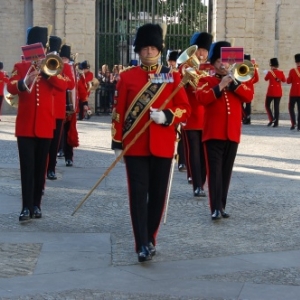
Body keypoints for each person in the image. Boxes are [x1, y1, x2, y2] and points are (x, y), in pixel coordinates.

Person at [111, 23, 191, 262]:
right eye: (144, 48)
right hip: (135, 146)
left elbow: (185, 109)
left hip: (163, 146)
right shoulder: (127, 77)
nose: (148, 52)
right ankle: (141, 243)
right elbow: (119, 112)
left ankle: (151, 237)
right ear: (138, 50)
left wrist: (167, 116)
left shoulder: (171, 76)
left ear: (159, 49)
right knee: (137, 194)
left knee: (157, 195)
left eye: (152, 47)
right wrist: (117, 142)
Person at [7, 26, 69, 221]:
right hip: (25, 127)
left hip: (44, 126)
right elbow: (10, 86)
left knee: (40, 168)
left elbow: (64, 85)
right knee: (26, 168)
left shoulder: (51, 67)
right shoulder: (21, 67)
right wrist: (25, 81)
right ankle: (26, 207)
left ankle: (36, 205)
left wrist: (47, 73)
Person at [195, 41, 254, 220]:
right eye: (219, 60)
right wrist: (220, 85)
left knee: (226, 171)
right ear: (213, 63)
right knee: (215, 171)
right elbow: (202, 98)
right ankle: (215, 207)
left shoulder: (238, 80)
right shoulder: (206, 80)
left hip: (232, 133)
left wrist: (233, 84)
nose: (223, 64)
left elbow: (249, 95)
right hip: (213, 133)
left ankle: (222, 205)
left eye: (226, 61)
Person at [182, 32, 213, 197]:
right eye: (199, 50)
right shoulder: (185, 67)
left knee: (204, 151)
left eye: (204, 50)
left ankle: (201, 180)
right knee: (194, 150)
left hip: (206, 115)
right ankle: (197, 184)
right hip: (191, 113)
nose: (201, 54)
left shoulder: (211, 68)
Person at [46, 36, 75, 179]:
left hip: (57, 109)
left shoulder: (66, 67)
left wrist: (56, 75)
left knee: (54, 142)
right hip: (44, 109)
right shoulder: (42, 63)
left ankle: (51, 167)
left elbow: (70, 84)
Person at [166, 50, 186, 172]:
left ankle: (181, 161)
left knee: (182, 136)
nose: (171, 64)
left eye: (173, 61)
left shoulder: (182, 73)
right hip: (169, 107)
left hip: (180, 108)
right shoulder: (165, 73)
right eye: (170, 61)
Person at [59, 44, 79, 167]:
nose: (63, 61)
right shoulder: (58, 65)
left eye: (65, 59)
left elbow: (72, 85)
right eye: (62, 58)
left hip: (69, 104)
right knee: (58, 131)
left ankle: (69, 156)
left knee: (68, 131)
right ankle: (58, 151)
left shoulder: (71, 68)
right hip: (58, 104)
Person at [264, 58, 286, 127]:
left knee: (267, 105)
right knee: (276, 107)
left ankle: (271, 119)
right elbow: (284, 80)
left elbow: (265, 79)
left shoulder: (270, 73)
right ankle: (276, 123)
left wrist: (266, 73)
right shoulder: (281, 72)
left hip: (271, 92)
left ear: (272, 65)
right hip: (278, 92)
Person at [241, 54, 259, 125]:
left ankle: (244, 117)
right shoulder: (253, 67)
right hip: (250, 89)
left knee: (241, 104)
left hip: (242, 87)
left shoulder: (241, 67)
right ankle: (248, 118)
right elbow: (257, 79)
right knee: (248, 105)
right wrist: (251, 83)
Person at [287, 53, 300, 131]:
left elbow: (288, 81)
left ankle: (293, 123)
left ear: (296, 62)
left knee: (291, 108)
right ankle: (299, 126)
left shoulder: (292, 71)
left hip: (293, 93)